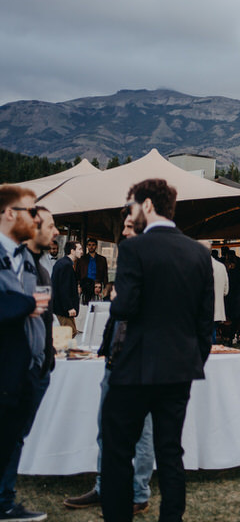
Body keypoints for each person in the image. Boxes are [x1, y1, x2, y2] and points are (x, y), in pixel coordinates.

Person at [100, 178, 214, 522]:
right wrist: (192, 360)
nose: (129, 213)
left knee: (118, 451)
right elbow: (204, 323)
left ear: (147, 205)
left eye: (131, 206)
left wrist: (116, 299)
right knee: (170, 452)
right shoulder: (199, 253)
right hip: (179, 369)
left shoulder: (134, 249)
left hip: (134, 367)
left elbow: (126, 308)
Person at [64, 210, 154, 518]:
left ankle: (139, 493)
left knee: (141, 433)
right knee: (106, 429)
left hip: (140, 361)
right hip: (115, 359)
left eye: (129, 227)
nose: (124, 233)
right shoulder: (129, 264)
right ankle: (104, 487)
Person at [0, 195, 54, 522]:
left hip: (32, 366)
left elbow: (41, 320)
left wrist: (45, 359)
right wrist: (25, 304)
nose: (54, 231)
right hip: (13, 367)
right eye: (32, 213)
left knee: (14, 437)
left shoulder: (31, 264)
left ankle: (4, 501)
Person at [200, 241, 229, 344]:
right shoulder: (221, 267)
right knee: (212, 335)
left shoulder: (196, 265)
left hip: (200, 309)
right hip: (216, 309)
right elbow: (226, 290)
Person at [52, 240, 82, 336]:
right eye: (79, 249)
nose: (82, 251)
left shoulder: (63, 263)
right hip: (63, 310)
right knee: (68, 334)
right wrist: (69, 307)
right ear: (72, 251)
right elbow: (64, 289)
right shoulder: (66, 265)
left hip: (60, 308)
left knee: (69, 333)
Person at [76, 237, 107, 303]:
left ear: (96, 246)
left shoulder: (102, 259)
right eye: (89, 245)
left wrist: (105, 288)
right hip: (85, 285)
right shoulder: (82, 259)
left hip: (97, 285)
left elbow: (105, 275)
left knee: (97, 304)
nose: (91, 247)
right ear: (87, 246)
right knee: (84, 304)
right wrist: (78, 285)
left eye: (93, 245)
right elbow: (77, 273)